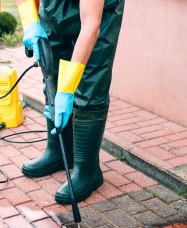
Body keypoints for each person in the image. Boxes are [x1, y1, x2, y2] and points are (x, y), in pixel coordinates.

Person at [15, 0, 124, 204]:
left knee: (90, 85)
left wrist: (67, 90)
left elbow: (91, 24)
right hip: (54, 7)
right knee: (52, 72)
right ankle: (57, 151)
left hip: (98, 12)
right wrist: (29, 21)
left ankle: (88, 170)